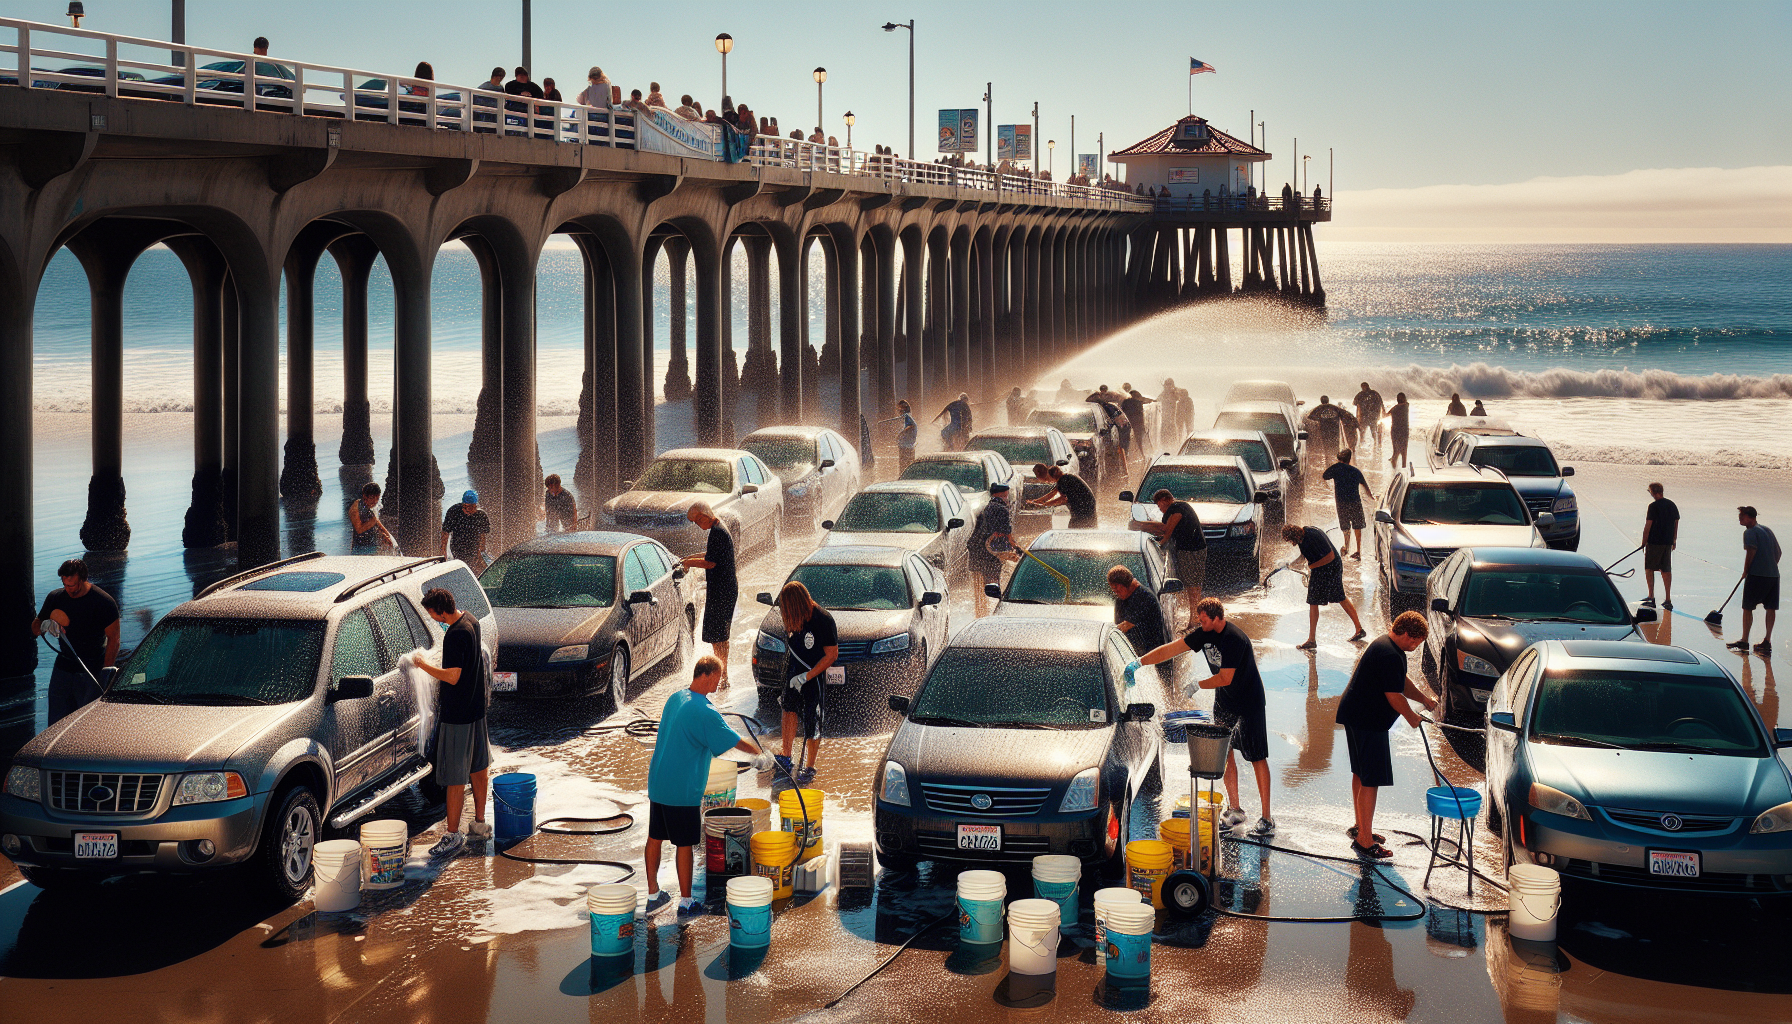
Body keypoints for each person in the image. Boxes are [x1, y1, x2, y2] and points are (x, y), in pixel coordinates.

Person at [1129, 597, 1273, 835]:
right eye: (1200, 620)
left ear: (1217, 618)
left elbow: (1225, 677)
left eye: (1204, 620)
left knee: (1257, 756)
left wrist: (1197, 684)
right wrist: (1140, 662)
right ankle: (1235, 810)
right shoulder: (1204, 634)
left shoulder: (1233, 639)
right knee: (1225, 753)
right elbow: (1172, 649)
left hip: (1249, 702)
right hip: (1225, 701)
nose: (1200, 624)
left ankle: (1267, 818)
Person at [645, 655, 770, 917]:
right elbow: (734, 740)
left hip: (658, 782)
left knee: (655, 836)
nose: (720, 682)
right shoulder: (705, 711)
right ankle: (686, 902)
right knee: (684, 844)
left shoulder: (676, 697)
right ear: (708, 674)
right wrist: (760, 753)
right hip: (682, 790)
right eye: (719, 676)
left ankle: (653, 896)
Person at [1336, 612, 1436, 860]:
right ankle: (1365, 841)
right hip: (1368, 721)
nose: (1415, 647)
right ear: (1404, 634)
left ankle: (1362, 828)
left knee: (1361, 773)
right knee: (1371, 780)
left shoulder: (1386, 646)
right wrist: (1413, 718)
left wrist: (1423, 699)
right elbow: (1394, 696)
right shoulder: (1390, 653)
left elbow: (1399, 681)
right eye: (1415, 642)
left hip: (1356, 715)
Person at [416, 588, 493, 857]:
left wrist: (422, 665)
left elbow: (452, 676)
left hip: (458, 715)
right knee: (478, 768)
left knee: (454, 778)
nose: (433, 618)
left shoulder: (455, 633)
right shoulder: (471, 620)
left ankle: (452, 836)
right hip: (477, 711)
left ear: (439, 611)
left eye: (432, 614)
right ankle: (480, 825)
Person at [31, 558, 119, 725]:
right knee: (56, 722)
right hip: (63, 666)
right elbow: (35, 628)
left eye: (72, 585)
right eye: (65, 585)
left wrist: (106, 673)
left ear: (84, 579)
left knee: (86, 723)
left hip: (91, 667)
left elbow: (114, 639)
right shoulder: (56, 597)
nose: (68, 589)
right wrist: (44, 625)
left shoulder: (104, 602)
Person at [775, 582, 838, 785]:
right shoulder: (792, 616)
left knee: (813, 720)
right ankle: (786, 756)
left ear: (797, 605)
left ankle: (809, 767)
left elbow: (831, 655)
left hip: (814, 675)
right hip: (794, 670)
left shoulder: (824, 620)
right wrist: (790, 679)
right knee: (788, 709)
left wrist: (807, 677)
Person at [1283, 523, 1366, 649]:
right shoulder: (1301, 538)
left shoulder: (1312, 535)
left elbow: (1330, 556)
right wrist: (1291, 564)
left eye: (1290, 540)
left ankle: (1359, 629)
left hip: (1331, 566)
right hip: (1319, 568)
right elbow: (1303, 557)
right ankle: (1312, 639)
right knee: (1313, 600)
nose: (1292, 543)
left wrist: (1311, 567)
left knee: (1339, 596)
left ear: (1294, 535)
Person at [682, 502, 737, 667]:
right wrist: (690, 557)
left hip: (722, 591)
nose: (698, 525)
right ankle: (723, 674)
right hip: (723, 590)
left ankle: (723, 675)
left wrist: (689, 562)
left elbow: (710, 563)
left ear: (704, 516)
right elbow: (712, 555)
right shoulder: (718, 528)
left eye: (698, 521)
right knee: (719, 636)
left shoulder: (717, 533)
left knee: (718, 637)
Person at [1142, 488, 1204, 628]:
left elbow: (1167, 532)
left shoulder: (1177, 509)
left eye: (1159, 505)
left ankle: (1194, 620)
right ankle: (1195, 618)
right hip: (1191, 549)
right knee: (1191, 584)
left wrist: (1157, 544)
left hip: (1192, 551)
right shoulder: (1180, 507)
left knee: (1192, 585)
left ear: (1165, 500)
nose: (1160, 509)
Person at [1729, 506, 1780, 656]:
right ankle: (1767, 642)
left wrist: (1746, 571)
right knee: (1771, 607)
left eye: (1742, 516)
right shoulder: (1767, 530)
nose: (1739, 519)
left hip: (1757, 575)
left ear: (1750, 517)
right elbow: (1778, 552)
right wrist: (1770, 565)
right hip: (1773, 575)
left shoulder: (1750, 532)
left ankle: (1744, 640)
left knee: (1748, 607)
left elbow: (1751, 552)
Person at [969, 483, 1018, 616]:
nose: (1008, 498)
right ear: (1003, 495)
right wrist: (1015, 547)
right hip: (988, 551)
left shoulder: (985, 507)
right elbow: (1006, 533)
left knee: (979, 585)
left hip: (975, 549)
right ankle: (995, 613)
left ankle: (980, 613)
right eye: (1007, 495)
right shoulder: (1002, 509)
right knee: (992, 582)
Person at [1109, 566, 1168, 667]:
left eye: (1118, 590)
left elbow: (1124, 627)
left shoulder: (1145, 598)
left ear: (1128, 585)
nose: (1116, 593)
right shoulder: (1120, 600)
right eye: (1114, 591)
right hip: (1133, 659)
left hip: (1152, 660)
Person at [1321, 450, 1375, 559]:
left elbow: (1325, 476)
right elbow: (1365, 486)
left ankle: (1346, 547)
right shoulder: (1355, 471)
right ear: (1349, 459)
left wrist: (1335, 466)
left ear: (1339, 459)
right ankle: (1358, 551)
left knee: (1345, 526)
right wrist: (1372, 497)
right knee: (1357, 525)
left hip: (1342, 503)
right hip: (1355, 502)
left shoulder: (1336, 468)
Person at [1641, 482, 1678, 610]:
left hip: (1654, 542)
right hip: (1667, 542)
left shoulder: (1653, 506)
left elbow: (1648, 525)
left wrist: (1643, 542)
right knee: (1666, 570)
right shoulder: (1672, 505)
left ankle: (1651, 597)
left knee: (1649, 568)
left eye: (1650, 491)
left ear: (1653, 492)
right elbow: (1676, 523)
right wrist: (1674, 540)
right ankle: (1668, 599)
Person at [441, 490, 491, 572]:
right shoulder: (454, 512)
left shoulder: (481, 515)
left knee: (476, 569)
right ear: (463, 505)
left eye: (473, 507)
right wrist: (443, 553)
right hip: (458, 547)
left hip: (474, 548)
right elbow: (445, 533)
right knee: (463, 568)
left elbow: (483, 536)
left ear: (476, 505)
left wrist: (481, 552)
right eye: (467, 507)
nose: (469, 511)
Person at [1033, 465, 1097, 528]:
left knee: (1074, 530)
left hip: (1082, 509)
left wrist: (1045, 504)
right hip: (1089, 506)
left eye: (1048, 478)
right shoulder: (1067, 477)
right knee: (1088, 529)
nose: (1048, 481)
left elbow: (1063, 499)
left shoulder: (1062, 481)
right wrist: (1039, 500)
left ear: (1052, 477)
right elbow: (1053, 492)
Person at [349, 481, 396, 554]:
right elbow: (359, 529)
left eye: (377, 498)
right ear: (364, 496)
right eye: (372, 498)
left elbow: (377, 523)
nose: (375, 501)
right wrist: (373, 521)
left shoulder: (368, 507)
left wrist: (389, 537)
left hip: (373, 546)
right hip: (360, 550)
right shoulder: (355, 508)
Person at [1304, 396, 1344, 465]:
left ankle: (1328, 464)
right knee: (1336, 446)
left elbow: (1310, 416)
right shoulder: (1334, 407)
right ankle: (1338, 462)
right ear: (1328, 400)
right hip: (1335, 430)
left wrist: (1319, 419)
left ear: (1321, 401)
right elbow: (1344, 415)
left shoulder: (1319, 408)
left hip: (1324, 430)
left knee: (1326, 446)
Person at [1353, 383, 1385, 450]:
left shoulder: (1362, 394)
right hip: (1371, 416)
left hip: (1367, 417)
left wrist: (1383, 412)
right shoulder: (1374, 393)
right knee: (1368, 432)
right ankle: (1375, 446)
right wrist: (1383, 412)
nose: (1363, 388)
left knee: (1369, 431)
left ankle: (1374, 445)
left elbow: (1354, 403)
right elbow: (1381, 403)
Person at [1123, 390, 1154, 455]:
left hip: (1128, 425)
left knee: (1129, 443)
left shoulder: (1125, 402)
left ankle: (1128, 455)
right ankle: (1141, 455)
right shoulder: (1138, 402)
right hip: (1138, 425)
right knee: (1139, 442)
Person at [1387, 392, 1411, 469]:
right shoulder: (1405, 406)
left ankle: (1397, 466)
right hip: (1401, 430)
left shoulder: (1399, 407)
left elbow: (1385, 415)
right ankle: (1401, 467)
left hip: (1396, 430)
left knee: (1398, 451)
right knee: (1401, 451)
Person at [893, 399, 917, 470]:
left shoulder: (906, 416)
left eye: (900, 409)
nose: (899, 412)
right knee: (908, 467)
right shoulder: (908, 416)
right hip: (909, 446)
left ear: (904, 409)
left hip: (906, 447)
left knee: (903, 467)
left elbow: (911, 426)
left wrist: (900, 434)